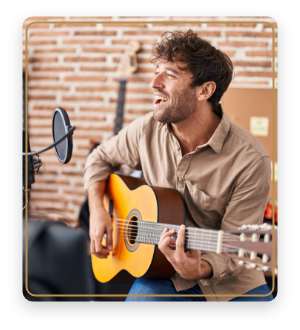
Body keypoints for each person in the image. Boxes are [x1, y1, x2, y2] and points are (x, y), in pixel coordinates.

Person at [83, 30, 274, 302]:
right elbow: (97, 159)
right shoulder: (145, 130)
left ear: (205, 90)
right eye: (157, 71)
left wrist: (200, 268)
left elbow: (239, 246)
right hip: (163, 273)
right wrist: (97, 211)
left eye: (170, 75)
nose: (154, 83)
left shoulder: (250, 159)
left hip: (233, 283)